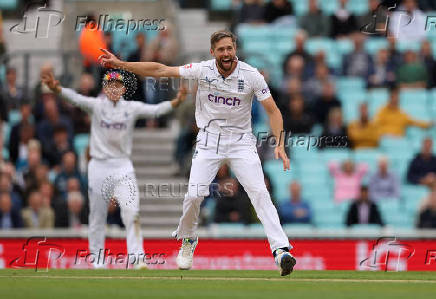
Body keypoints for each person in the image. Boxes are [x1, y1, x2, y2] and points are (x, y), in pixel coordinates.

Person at [99, 30, 296, 276]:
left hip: (241, 141)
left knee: (259, 193)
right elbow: (161, 70)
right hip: (208, 140)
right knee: (194, 195)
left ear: (235, 49)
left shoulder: (251, 74)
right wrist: (121, 64)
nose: (226, 53)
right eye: (221, 49)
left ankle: (281, 251)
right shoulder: (202, 70)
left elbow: (274, 111)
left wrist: (279, 143)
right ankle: (189, 239)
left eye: (230, 48)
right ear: (213, 52)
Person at [41, 69, 187, 269]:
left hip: (122, 165)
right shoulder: (97, 106)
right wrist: (56, 88)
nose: (114, 89)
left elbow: (154, 111)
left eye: (117, 85)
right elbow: (75, 99)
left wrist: (176, 102)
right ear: (105, 88)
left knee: (132, 211)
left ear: (123, 88)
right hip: (99, 165)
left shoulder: (131, 108)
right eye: (110, 85)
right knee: (97, 214)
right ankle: (98, 261)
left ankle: (137, 259)